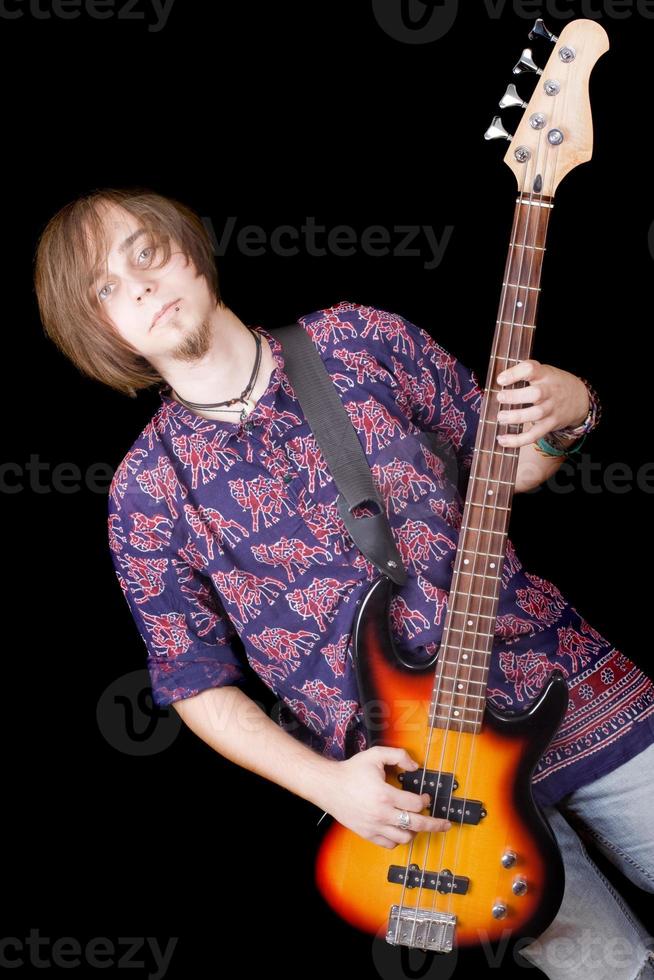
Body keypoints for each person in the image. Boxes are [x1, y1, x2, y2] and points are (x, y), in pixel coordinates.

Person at [33, 187, 654, 978]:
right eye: (107, 292)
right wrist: (328, 785)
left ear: (187, 245)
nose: (142, 288)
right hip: (432, 788)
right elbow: (192, 681)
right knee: (616, 971)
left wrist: (572, 411)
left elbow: (513, 464)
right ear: (99, 332)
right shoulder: (146, 491)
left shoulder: (361, 339)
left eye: (144, 254)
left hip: (567, 681)